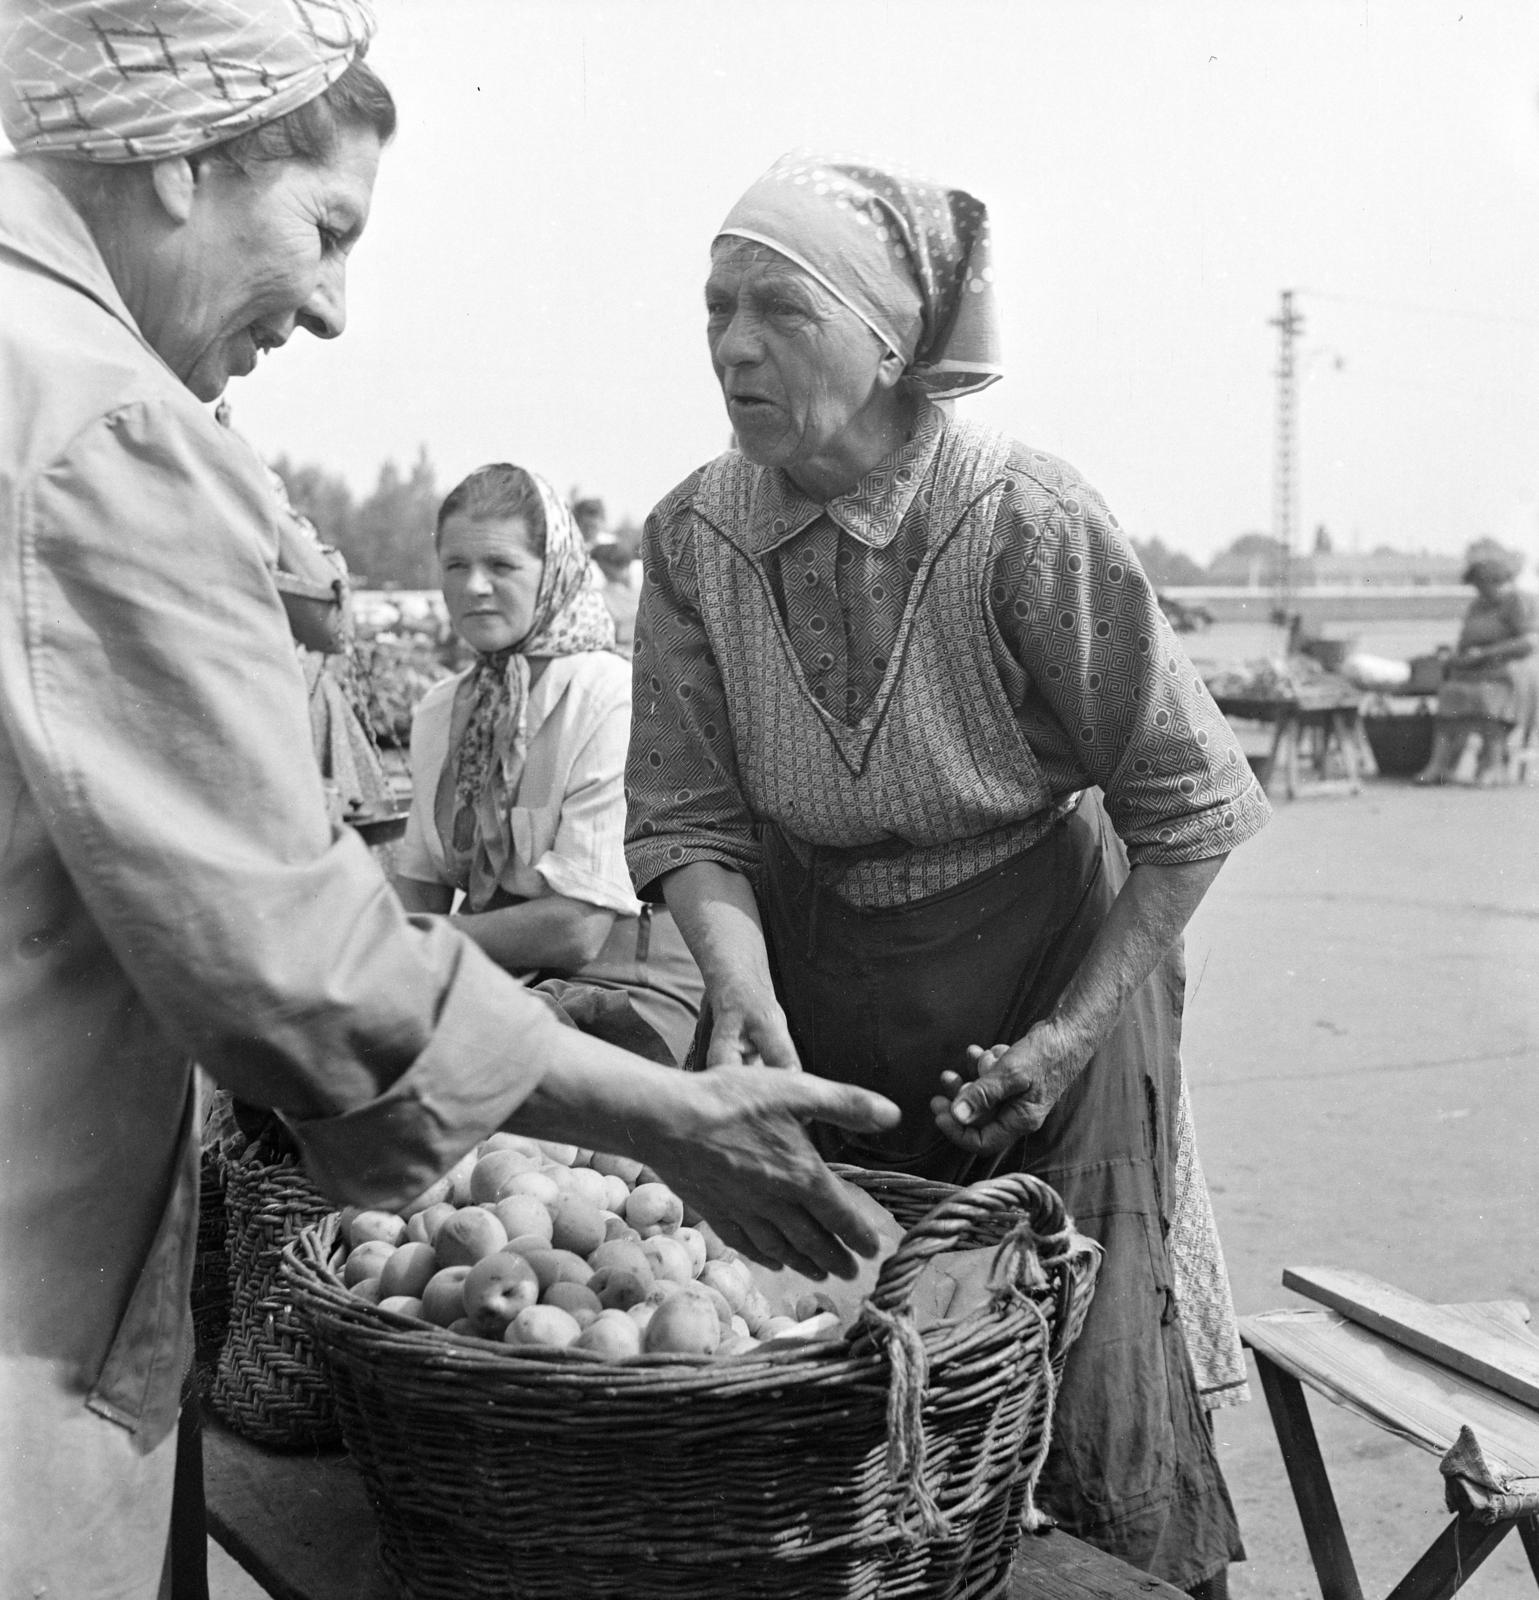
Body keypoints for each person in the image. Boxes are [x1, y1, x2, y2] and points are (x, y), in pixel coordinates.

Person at [0, 20, 898, 1595]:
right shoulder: (100, 424)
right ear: (177, 160)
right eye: (325, 230)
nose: (336, 307)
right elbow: (301, 968)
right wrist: (663, 1122)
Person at [625, 151, 1274, 1597]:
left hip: (1049, 956)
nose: (731, 343)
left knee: (1078, 1337)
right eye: (713, 307)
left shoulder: (1022, 520)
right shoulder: (690, 537)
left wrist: (1057, 1042)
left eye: (776, 310)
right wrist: (736, 991)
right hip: (811, 962)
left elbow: (1187, 810)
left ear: (887, 337)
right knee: (826, 1334)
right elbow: (689, 822)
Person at [393, 463, 702, 1065]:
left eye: (501, 566)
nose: (475, 586)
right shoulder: (440, 711)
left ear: (554, 571)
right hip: (502, 982)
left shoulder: (607, 694)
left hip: (623, 993)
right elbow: (418, 888)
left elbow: (578, 929)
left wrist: (416, 945)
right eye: (456, 566)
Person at [1415, 538, 1539, 784]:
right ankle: (1440, 764)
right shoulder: (1477, 606)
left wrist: (1487, 653)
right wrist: (1456, 656)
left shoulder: (1519, 602)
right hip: (1479, 670)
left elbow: (1530, 642)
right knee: (1449, 693)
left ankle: (1492, 765)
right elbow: (1465, 641)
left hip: (1512, 669)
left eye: (1482, 585)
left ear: (1497, 581)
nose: (1479, 591)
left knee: (1487, 696)